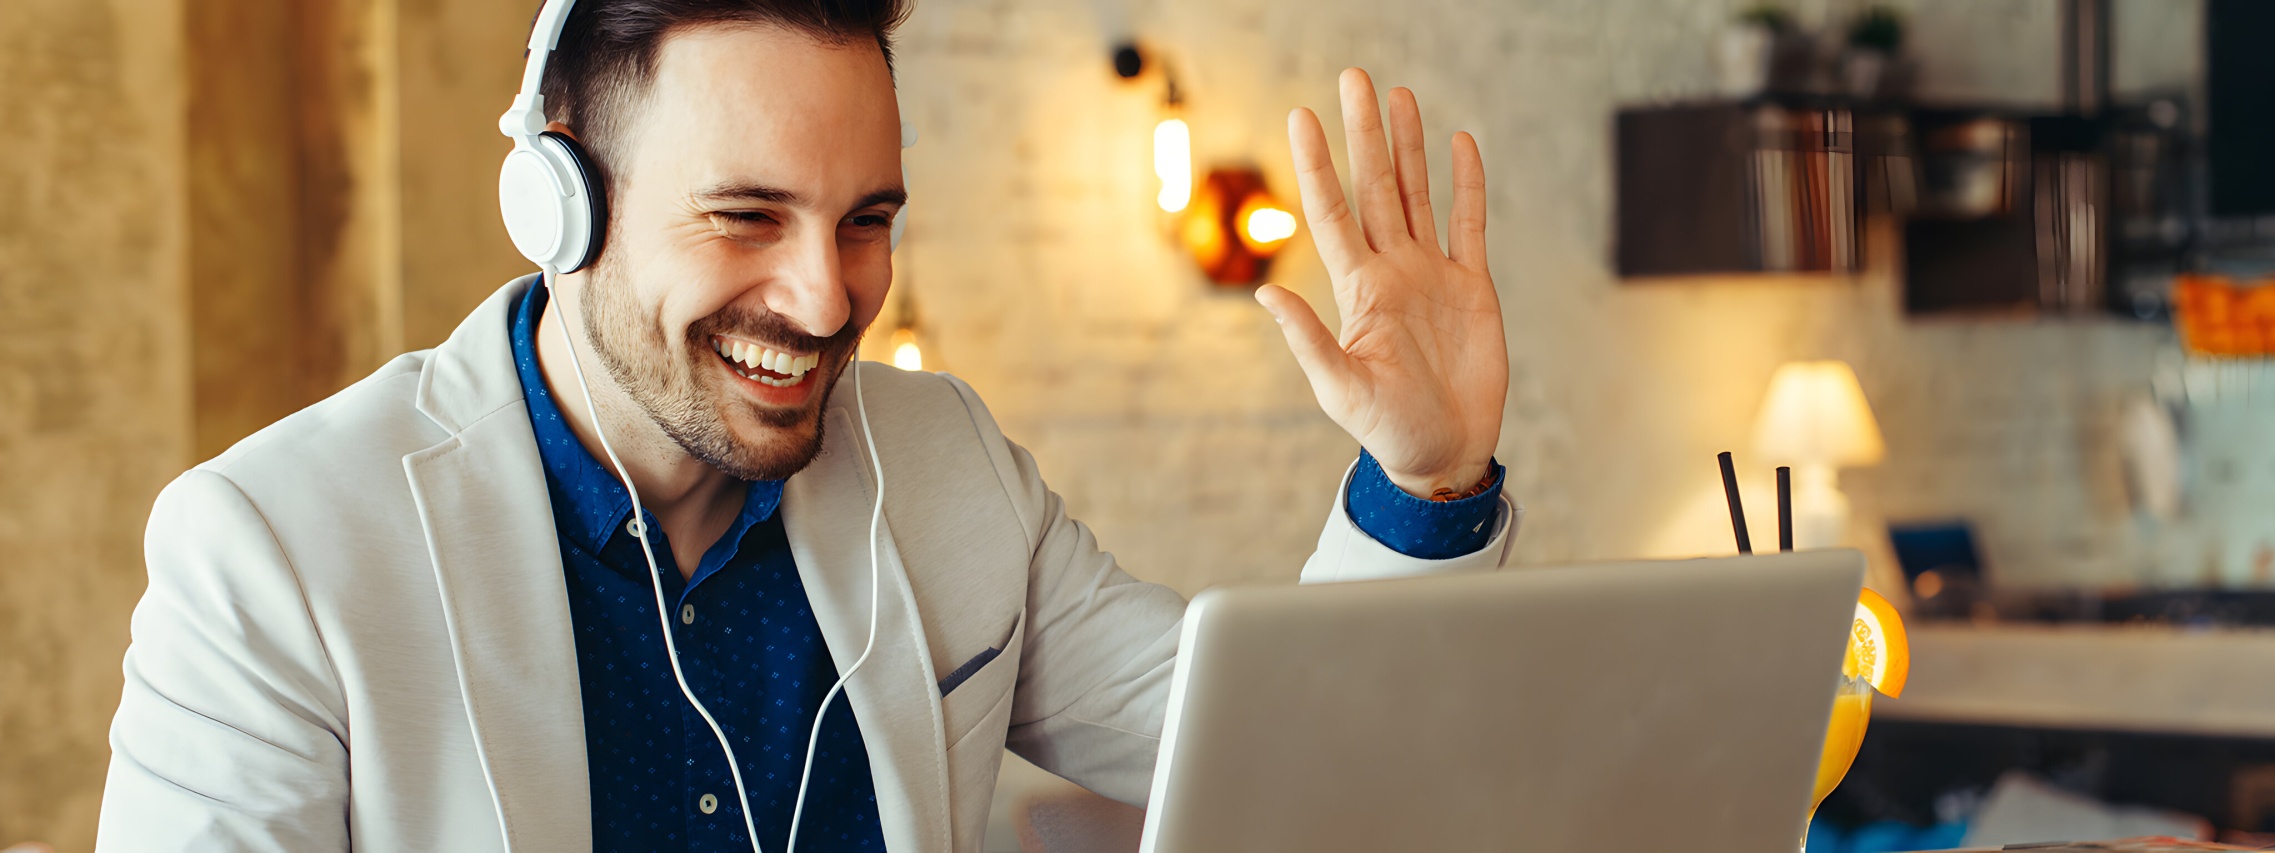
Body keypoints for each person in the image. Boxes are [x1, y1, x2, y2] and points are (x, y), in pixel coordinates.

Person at [96, 1, 1513, 851]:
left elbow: (1297, 774)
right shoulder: (273, 550)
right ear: (559, 208)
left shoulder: (950, 464)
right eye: (746, 216)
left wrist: (1429, 474)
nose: (826, 295)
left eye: (865, 221)